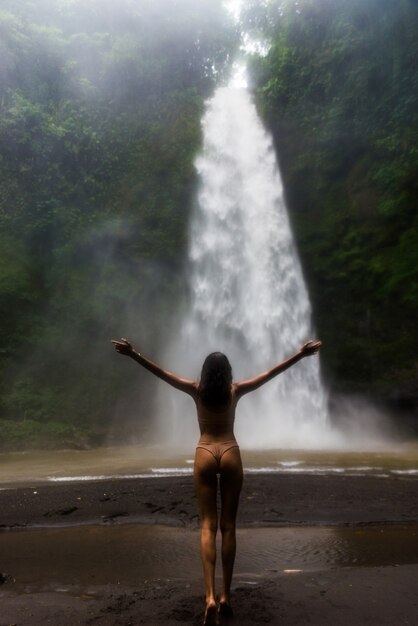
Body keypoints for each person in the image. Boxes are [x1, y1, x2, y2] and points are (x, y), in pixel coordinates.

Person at [111, 337, 321, 625]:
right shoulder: (236, 391)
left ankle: (208, 596)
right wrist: (300, 354)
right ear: (228, 373)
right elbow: (271, 373)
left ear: (205, 372)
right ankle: (226, 597)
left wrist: (133, 353)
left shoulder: (196, 390)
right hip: (230, 451)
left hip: (205, 452)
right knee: (229, 527)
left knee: (208, 526)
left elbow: (161, 373)